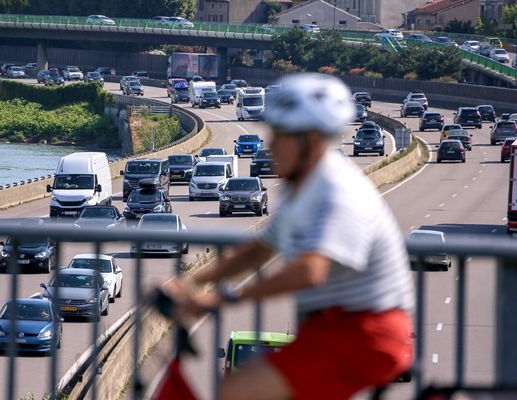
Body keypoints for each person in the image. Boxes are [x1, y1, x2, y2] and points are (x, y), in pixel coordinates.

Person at [162, 73, 415, 400]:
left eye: (279, 135)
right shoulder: (302, 189)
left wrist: (222, 299)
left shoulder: (337, 190)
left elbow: (310, 270)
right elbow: (260, 250)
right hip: (333, 329)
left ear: (308, 141)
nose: (270, 145)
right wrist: (192, 283)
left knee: (240, 391)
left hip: (365, 334)